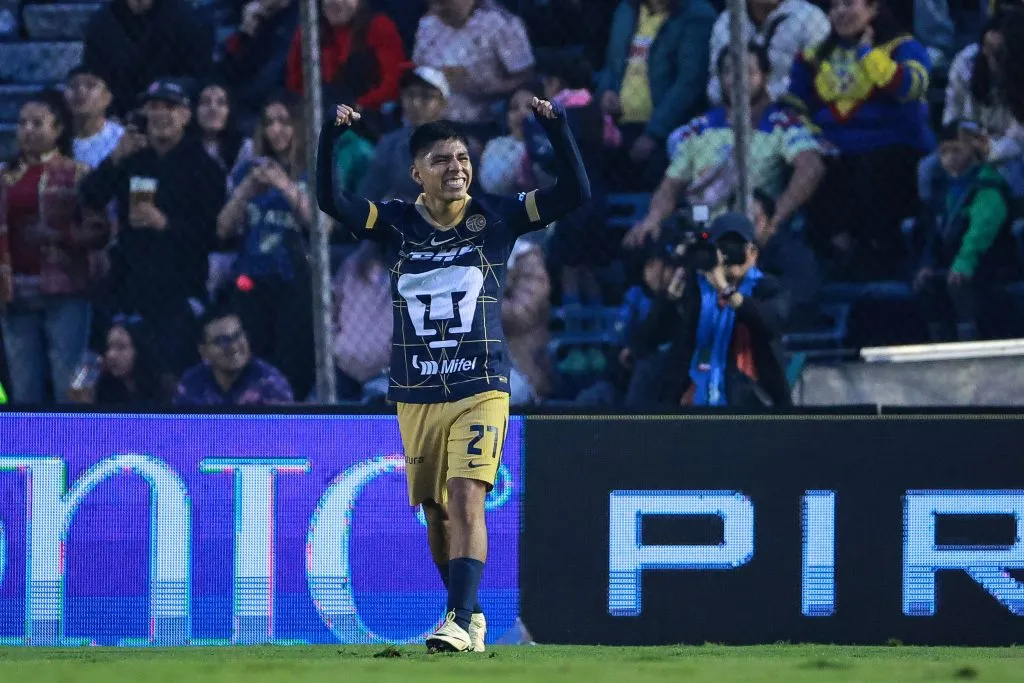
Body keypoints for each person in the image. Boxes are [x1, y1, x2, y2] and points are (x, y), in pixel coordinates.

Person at [316, 95, 589, 651]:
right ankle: (468, 612)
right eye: (441, 159)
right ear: (417, 172)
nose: (456, 167)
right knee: (438, 516)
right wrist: (329, 140)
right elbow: (331, 200)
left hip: (482, 384)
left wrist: (558, 129)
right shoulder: (392, 222)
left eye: (462, 157)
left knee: (467, 495)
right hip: (416, 392)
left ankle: (461, 623)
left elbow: (575, 194)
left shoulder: (498, 216)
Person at [79, 78, 226, 376]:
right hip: (129, 283)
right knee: (107, 368)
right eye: (154, 107)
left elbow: (212, 236)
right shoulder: (133, 159)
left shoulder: (204, 167)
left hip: (178, 287)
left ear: (186, 115)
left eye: (170, 107)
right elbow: (88, 196)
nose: (160, 115)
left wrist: (165, 224)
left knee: (168, 373)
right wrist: (115, 158)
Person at [785, 0, 934, 281]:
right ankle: (838, 253)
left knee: (873, 174)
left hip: (893, 144)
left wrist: (868, 54)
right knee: (813, 170)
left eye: (849, 4)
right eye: (834, 6)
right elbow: (794, 104)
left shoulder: (904, 47)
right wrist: (813, 137)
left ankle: (881, 255)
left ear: (874, 9)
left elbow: (908, 87)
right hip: (835, 146)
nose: (840, 12)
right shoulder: (813, 56)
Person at [624, 44, 824, 248]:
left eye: (748, 71)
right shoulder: (700, 128)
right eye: (729, 71)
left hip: (753, 231)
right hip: (702, 233)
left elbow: (811, 167)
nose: (737, 79)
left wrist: (774, 220)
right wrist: (653, 219)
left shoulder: (780, 123)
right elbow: (671, 185)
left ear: (765, 76)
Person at [0, 89, 109, 404]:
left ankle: (74, 446)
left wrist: (62, 236)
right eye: (22, 124)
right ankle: (30, 451)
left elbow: (100, 229)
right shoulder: (3, 176)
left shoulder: (77, 173)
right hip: (14, 291)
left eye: (37, 123)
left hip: (66, 289)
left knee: (69, 385)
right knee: (24, 387)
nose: (28, 130)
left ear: (58, 129)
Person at [627, 212, 791, 407]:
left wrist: (727, 290)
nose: (729, 255)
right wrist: (670, 296)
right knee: (648, 372)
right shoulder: (695, 289)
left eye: (736, 247)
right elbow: (646, 342)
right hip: (693, 397)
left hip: (750, 398)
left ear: (752, 254)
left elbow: (770, 322)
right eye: (723, 248)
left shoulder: (766, 287)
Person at [216, 93, 316, 400]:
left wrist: (285, 186)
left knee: (290, 357)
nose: (276, 130)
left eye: (284, 122)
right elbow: (223, 228)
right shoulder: (249, 171)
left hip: (294, 278)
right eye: (270, 123)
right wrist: (246, 191)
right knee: (252, 353)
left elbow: (320, 226)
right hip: (251, 277)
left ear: (298, 127)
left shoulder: (312, 171)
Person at [913, 121, 1018, 341]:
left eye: (956, 150)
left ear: (973, 150)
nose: (950, 157)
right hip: (949, 258)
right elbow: (932, 231)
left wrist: (964, 263)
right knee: (925, 285)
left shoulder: (987, 184)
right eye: (944, 151)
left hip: (987, 260)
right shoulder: (939, 187)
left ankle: (968, 339)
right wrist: (926, 264)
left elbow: (983, 230)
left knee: (961, 284)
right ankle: (937, 341)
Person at [599, 0, 716, 189]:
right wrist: (607, 90)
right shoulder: (626, 10)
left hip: (667, 131)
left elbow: (689, 84)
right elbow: (610, 65)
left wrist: (654, 134)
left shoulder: (697, 15)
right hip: (617, 125)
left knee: (657, 165)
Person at [413, 0, 536, 142]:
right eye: (433, 3)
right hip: (434, 118)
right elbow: (418, 68)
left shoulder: (501, 23)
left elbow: (526, 79)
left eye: (444, 2)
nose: (438, 9)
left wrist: (478, 85)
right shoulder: (428, 25)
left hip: (487, 123)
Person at [82, 0, 214, 117]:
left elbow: (197, 78)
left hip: (171, 114)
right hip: (114, 116)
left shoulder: (190, 20)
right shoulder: (102, 22)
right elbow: (93, 74)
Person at [285, 0, 406, 112]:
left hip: (367, 116)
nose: (335, 2)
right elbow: (295, 83)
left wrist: (359, 106)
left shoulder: (379, 27)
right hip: (321, 116)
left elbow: (392, 83)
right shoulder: (310, 32)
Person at [706, 0, 831, 105]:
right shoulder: (728, 20)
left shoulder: (810, 17)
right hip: (733, 112)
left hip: (792, 111)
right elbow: (715, 81)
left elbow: (816, 80)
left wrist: (766, 98)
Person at [360, 66, 452, 202]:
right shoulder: (389, 144)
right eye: (410, 95)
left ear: (442, 103)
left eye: (426, 96)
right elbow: (370, 191)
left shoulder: (459, 146)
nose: (415, 103)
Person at [173, 305, 294, 406]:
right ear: (204, 351)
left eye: (238, 336)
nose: (234, 347)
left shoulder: (270, 384)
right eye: (222, 341)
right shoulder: (192, 382)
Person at [67, 315, 171, 405]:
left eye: (121, 347)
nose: (111, 355)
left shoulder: (164, 387)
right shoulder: (101, 389)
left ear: (139, 351)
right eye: (109, 347)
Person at [66, 64, 125, 170]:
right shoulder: (54, 139)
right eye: (73, 86)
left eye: (90, 85)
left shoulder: (121, 139)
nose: (81, 91)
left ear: (107, 97)